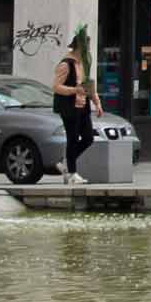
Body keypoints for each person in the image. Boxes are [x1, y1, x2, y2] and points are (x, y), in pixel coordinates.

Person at [52, 27, 99, 184]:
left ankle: (65, 163)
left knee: (88, 138)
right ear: (80, 45)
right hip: (69, 106)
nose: (89, 48)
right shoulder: (66, 64)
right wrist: (74, 90)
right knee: (72, 138)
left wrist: (97, 102)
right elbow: (56, 87)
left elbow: (89, 85)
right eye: (87, 45)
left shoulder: (84, 63)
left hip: (83, 105)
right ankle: (71, 173)